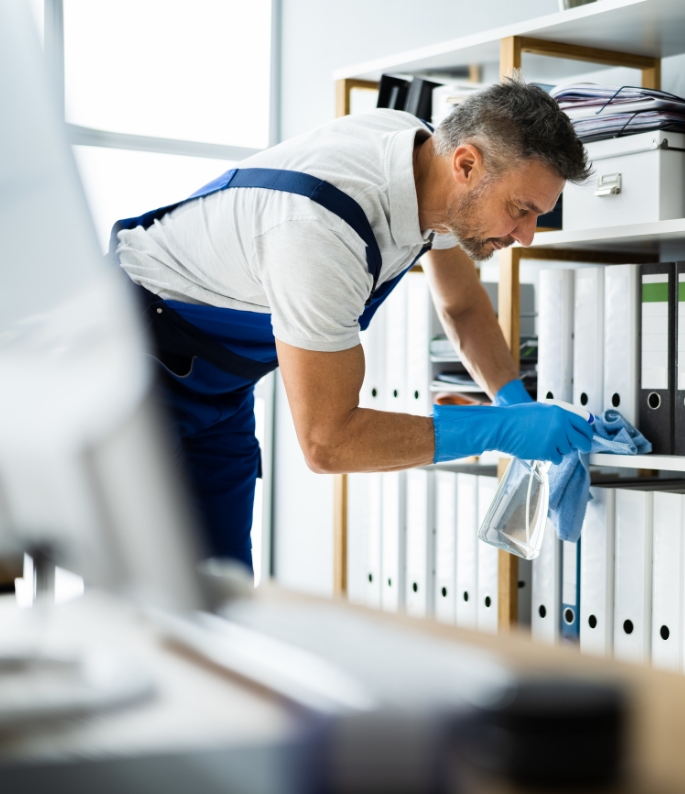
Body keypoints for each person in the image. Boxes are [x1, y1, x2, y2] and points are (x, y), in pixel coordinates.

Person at [114, 78, 595, 569]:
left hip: (220, 381)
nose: (528, 237)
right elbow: (327, 442)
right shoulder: (321, 232)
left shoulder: (429, 167)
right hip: (127, 364)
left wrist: (512, 397)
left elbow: (463, 308)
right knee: (138, 591)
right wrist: (499, 430)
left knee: (224, 583)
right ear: (466, 165)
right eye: (521, 210)